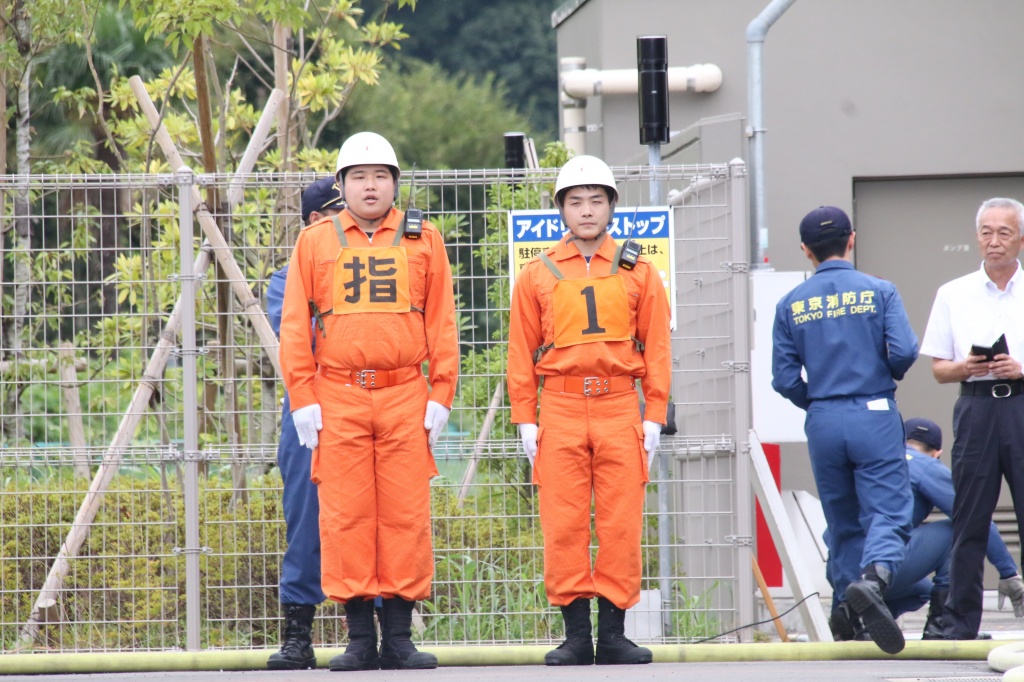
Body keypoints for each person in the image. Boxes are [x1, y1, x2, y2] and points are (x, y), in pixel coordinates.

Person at [279, 132, 459, 671]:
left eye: (381, 175)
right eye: (358, 176)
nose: (370, 185)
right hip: (338, 394)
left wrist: (442, 390)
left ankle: (399, 637)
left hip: (405, 391)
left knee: (405, 512)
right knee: (346, 515)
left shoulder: (424, 238)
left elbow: (442, 321)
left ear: (396, 183)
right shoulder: (315, 242)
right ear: (341, 185)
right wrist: (303, 397)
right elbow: (294, 326)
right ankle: (358, 637)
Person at [506, 155, 672, 666]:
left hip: (619, 402)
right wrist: (525, 417)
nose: (585, 210)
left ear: (612, 206)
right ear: (560, 210)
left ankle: (615, 634)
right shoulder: (535, 274)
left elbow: (659, 345)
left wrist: (654, 412)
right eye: (575, 201)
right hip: (559, 404)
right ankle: (577, 635)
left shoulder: (639, 271)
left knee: (622, 520)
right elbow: (519, 349)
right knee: (565, 521)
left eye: (595, 200)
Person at [771, 205, 918, 654]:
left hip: (823, 419)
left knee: (842, 520)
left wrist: (816, 400)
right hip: (873, 410)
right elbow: (906, 350)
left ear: (805, 250)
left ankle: (845, 609)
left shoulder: (791, 303)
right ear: (851, 240)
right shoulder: (879, 291)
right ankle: (874, 580)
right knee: (888, 509)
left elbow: (783, 378)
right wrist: (883, 370)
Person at [920, 197, 1024, 640]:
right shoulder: (953, 292)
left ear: (1020, 238)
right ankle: (959, 626)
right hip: (976, 406)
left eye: (1004, 232)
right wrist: (968, 366)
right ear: (976, 236)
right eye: (986, 231)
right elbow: (938, 368)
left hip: (1021, 401)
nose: (994, 241)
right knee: (969, 517)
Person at [829, 417, 1024, 642]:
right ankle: (941, 628)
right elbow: (975, 520)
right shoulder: (926, 465)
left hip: (839, 568)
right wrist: (1008, 572)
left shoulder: (875, 459)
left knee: (922, 590)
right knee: (958, 528)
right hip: (877, 568)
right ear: (937, 453)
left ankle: (857, 620)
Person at [267, 177, 345, 670]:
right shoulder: (286, 278)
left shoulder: (375, 266)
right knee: (306, 521)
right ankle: (298, 635)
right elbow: (301, 340)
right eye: (339, 214)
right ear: (316, 223)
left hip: (369, 402)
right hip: (310, 411)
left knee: (374, 519)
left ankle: (377, 633)